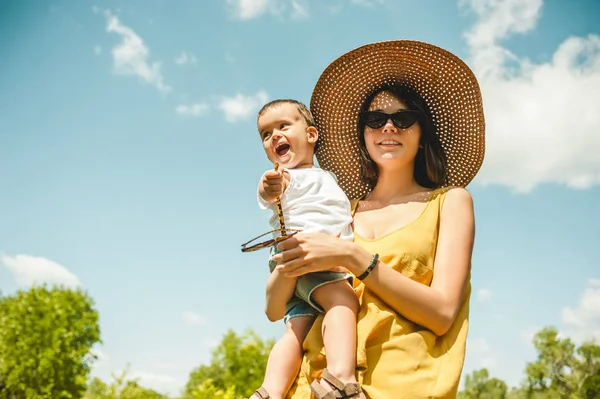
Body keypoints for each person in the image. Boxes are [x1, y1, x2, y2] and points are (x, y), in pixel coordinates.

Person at [271, 40, 486, 398]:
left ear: (422, 135)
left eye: (402, 118)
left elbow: (443, 312)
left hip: (402, 386)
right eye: (375, 119)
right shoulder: (341, 210)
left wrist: (351, 256)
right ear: (363, 135)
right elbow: (280, 308)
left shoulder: (450, 202)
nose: (388, 127)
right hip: (316, 386)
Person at [248, 99, 366, 399]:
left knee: (296, 331)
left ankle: (269, 391)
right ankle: (339, 378)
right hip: (310, 256)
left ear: (311, 135)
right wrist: (270, 184)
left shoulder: (323, 177)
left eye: (283, 126)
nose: (274, 136)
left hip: (294, 263)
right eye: (265, 134)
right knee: (343, 303)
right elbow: (270, 188)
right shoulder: (288, 176)